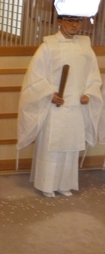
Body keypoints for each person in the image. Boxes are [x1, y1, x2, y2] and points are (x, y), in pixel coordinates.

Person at [17, 14, 103, 198]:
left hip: (76, 106)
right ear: (59, 21)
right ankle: (47, 185)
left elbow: (93, 75)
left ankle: (65, 184)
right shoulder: (48, 46)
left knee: (70, 147)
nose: (74, 25)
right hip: (56, 106)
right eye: (70, 20)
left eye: (78, 21)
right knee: (52, 146)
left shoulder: (85, 46)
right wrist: (49, 94)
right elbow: (35, 77)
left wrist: (89, 93)